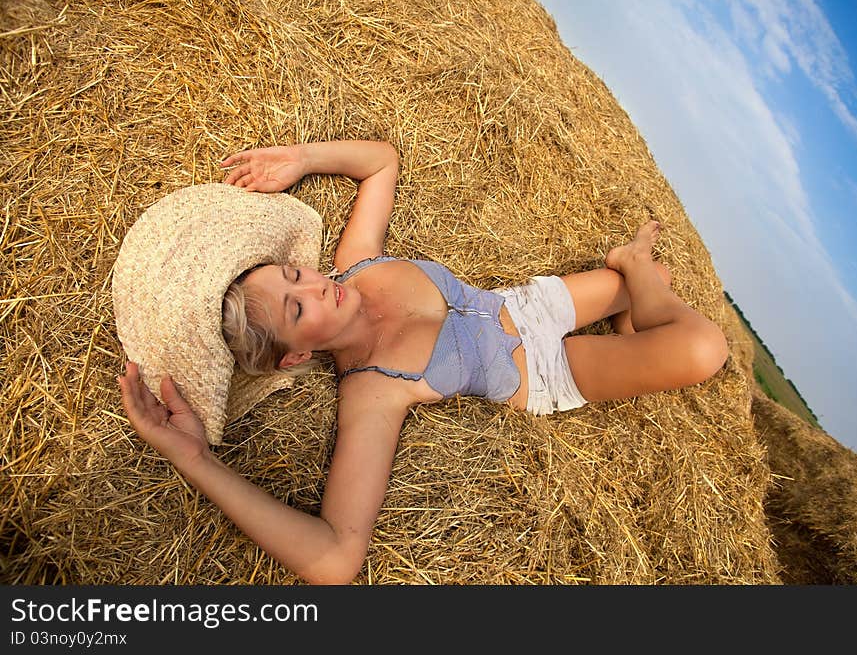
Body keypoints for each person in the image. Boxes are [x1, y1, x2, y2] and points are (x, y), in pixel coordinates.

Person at [117, 140, 729, 584]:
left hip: (530, 302)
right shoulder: (373, 394)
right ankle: (635, 271)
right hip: (546, 369)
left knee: (653, 292)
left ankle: (638, 281)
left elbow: (381, 160)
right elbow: (334, 558)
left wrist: (302, 159)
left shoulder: (357, 260)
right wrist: (193, 458)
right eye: (297, 310)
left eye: (295, 274)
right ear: (299, 353)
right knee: (702, 347)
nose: (315, 287)